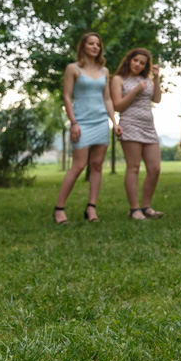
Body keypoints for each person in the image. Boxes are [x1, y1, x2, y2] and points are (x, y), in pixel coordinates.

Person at [54, 32, 121, 224]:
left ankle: (91, 208)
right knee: (78, 165)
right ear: (83, 46)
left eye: (98, 44)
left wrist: (114, 122)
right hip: (81, 122)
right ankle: (59, 209)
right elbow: (67, 96)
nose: (95, 47)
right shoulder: (73, 69)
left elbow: (107, 98)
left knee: (97, 165)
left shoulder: (104, 71)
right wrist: (73, 123)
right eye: (91, 44)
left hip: (101, 121)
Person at [111, 48, 163, 220]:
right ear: (129, 60)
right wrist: (135, 90)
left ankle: (146, 206)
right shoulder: (119, 79)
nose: (138, 65)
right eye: (136, 61)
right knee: (133, 167)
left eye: (142, 63)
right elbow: (118, 106)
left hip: (148, 126)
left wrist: (155, 78)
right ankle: (134, 209)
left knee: (155, 168)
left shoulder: (146, 80)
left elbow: (156, 99)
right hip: (130, 124)